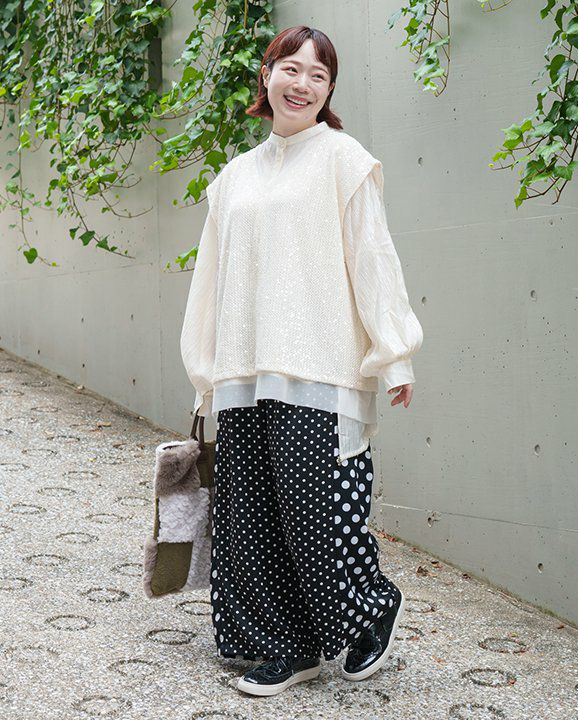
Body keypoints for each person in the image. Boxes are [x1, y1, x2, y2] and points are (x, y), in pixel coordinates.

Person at [180, 25, 424, 697]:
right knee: (250, 520)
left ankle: (370, 607)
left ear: (329, 90)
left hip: (320, 368)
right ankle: (288, 648)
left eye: (319, 75)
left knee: (317, 513)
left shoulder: (344, 161)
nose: (303, 84)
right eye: (291, 68)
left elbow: (373, 258)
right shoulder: (233, 178)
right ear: (267, 75)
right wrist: (206, 373)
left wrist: (394, 354)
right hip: (244, 370)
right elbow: (210, 282)